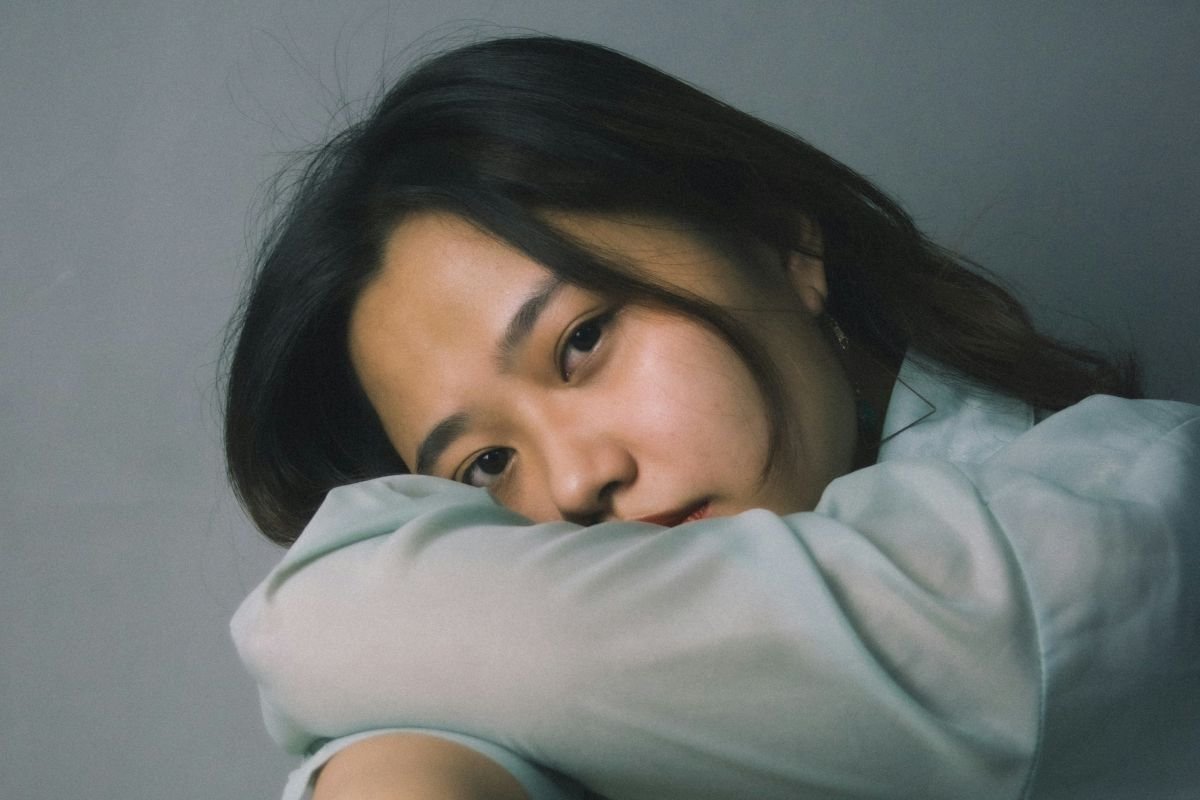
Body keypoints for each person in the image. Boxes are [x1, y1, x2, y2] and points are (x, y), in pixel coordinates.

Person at [224, 36, 1200, 800]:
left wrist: (324, 609)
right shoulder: (554, 682)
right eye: (484, 462)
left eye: (581, 341)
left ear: (782, 243)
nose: (572, 482)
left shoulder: (1127, 504)